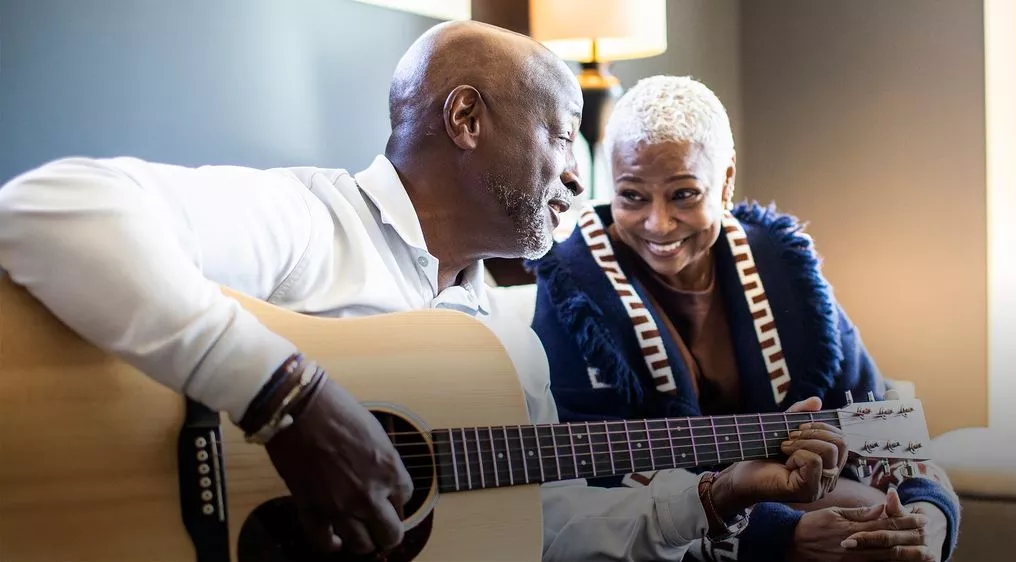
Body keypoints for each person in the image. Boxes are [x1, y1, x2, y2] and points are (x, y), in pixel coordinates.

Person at [0, 23, 861, 561]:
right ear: (466, 119)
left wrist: (716, 494)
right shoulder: (311, 221)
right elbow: (46, 209)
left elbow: (545, 530)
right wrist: (287, 402)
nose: (577, 174)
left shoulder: (506, 339)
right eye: (563, 136)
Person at [527, 75, 962, 562]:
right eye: (631, 196)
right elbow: (596, 475)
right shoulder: (572, 288)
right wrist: (779, 536)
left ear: (726, 179)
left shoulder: (783, 266)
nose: (658, 222)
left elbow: (879, 419)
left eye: (684, 194)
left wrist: (932, 517)